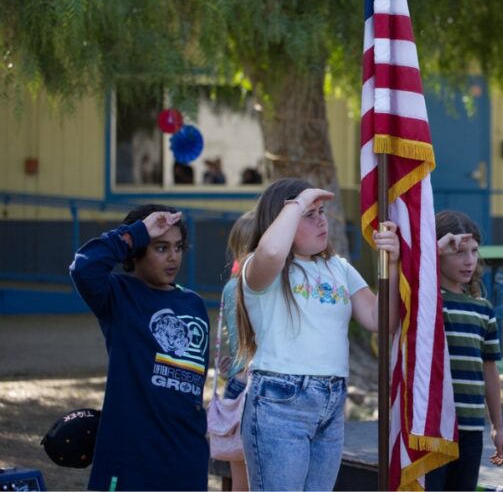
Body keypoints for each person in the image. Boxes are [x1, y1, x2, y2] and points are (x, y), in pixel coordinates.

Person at [235, 178, 400, 490]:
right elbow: (271, 251)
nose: (321, 220)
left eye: (321, 212)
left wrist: (391, 266)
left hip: (331, 401)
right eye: (308, 215)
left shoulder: (338, 268)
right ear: (280, 220)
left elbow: (381, 319)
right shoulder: (262, 267)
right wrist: (298, 203)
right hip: (279, 401)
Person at [69, 205, 209, 491]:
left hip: (186, 456)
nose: (173, 257)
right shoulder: (119, 296)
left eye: (178, 247)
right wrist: (138, 232)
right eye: (160, 248)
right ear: (136, 254)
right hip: (130, 457)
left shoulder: (193, 304)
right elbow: (84, 267)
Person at [426, 211, 503, 491]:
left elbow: (490, 370)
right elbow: (413, 277)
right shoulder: (428, 301)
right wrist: (431, 249)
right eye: (459, 252)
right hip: (433, 427)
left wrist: (497, 425)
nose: (469, 260)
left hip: (471, 428)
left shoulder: (483, 309)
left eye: (474, 251)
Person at [218, 210, 256, 491]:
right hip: (252, 386)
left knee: (241, 479)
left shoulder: (232, 286)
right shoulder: (247, 288)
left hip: (237, 382)